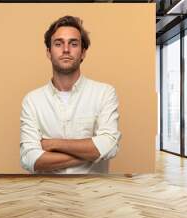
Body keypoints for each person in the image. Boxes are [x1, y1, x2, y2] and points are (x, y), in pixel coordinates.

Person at [20, 15, 121, 174]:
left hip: (93, 194)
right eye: (58, 44)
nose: (66, 49)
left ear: (83, 52)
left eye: (73, 44)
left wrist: (54, 144)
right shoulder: (32, 100)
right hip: (47, 195)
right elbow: (29, 159)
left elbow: (109, 145)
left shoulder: (104, 93)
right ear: (48, 52)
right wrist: (92, 153)